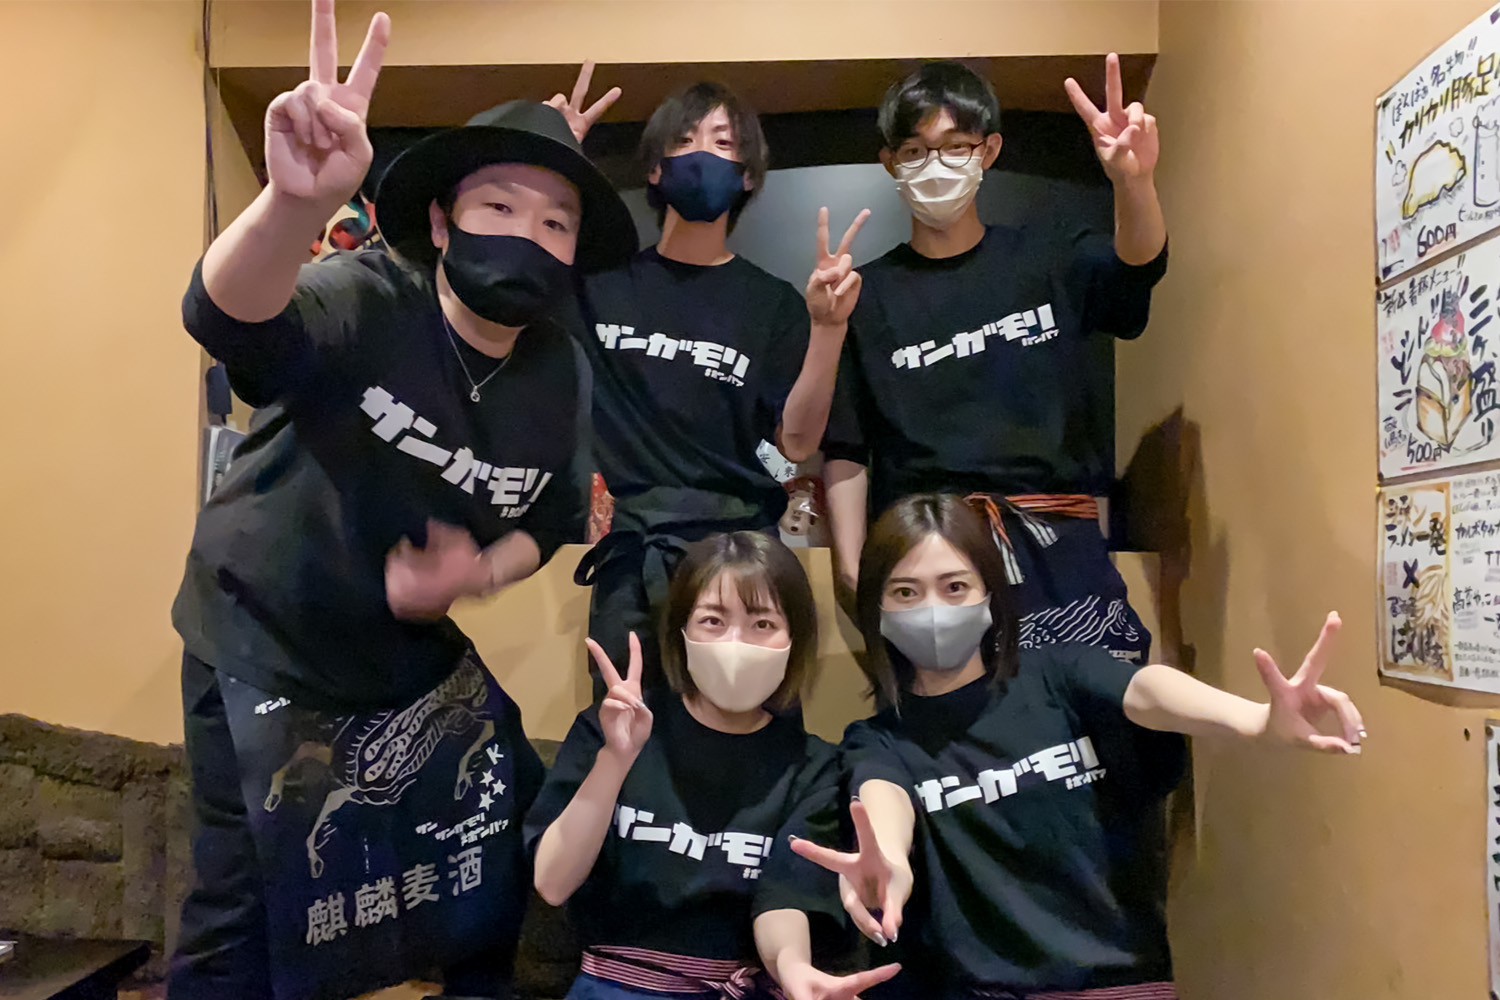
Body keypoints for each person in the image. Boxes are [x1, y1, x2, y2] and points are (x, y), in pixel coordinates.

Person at [166, 3, 637, 997]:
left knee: (492, 850)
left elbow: (549, 524)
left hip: (405, 662)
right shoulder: (371, 296)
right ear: (439, 222)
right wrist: (291, 206)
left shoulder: (560, 370)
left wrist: (478, 571)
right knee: (245, 907)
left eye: (555, 222)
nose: (528, 235)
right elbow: (228, 318)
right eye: (498, 207)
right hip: (262, 634)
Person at [788, 494, 1365, 999]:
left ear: (990, 593)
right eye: (905, 592)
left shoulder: (1059, 671)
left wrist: (1257, 720)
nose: (932, 609)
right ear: (877, 609)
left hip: (1119, 981)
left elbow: (1146, 691)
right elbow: (882, 799)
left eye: (954, 586)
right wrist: (888, 862)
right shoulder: (878, 739)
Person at [822, 56, 1168, 666]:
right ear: (891, 163)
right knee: (949, 717)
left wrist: (1133, 182)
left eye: (956, 146)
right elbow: (845, 447)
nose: (936, 165)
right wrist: (851, 571)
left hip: (1058, 544)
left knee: (1093, 707)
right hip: (928, 555)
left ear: (988, 150)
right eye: (915, 151)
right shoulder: (863, 297)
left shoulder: (1048, 258)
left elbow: (1137, 265)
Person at [548, 68, 869, 690]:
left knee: (746, 724)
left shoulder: (773, 305)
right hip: (633, 556)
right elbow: (519, 261)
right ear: (654, 169)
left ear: (747, 175)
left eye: (723, 144)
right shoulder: (595, 288)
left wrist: (827, 328)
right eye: (685, 140)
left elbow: (798, 443)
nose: (702, 156)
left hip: (740, 554)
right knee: (625, 723)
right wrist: (552, 157)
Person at [525, 532, 898, 1000]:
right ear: (681, 632)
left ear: (795, 639)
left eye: (762, 623)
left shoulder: (815, 766)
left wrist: (794, 968)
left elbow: (784, 897)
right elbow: (553, 883)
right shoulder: (610, 728)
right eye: (713, 621)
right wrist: (614, 760)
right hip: (615, 986)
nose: (735, 643)